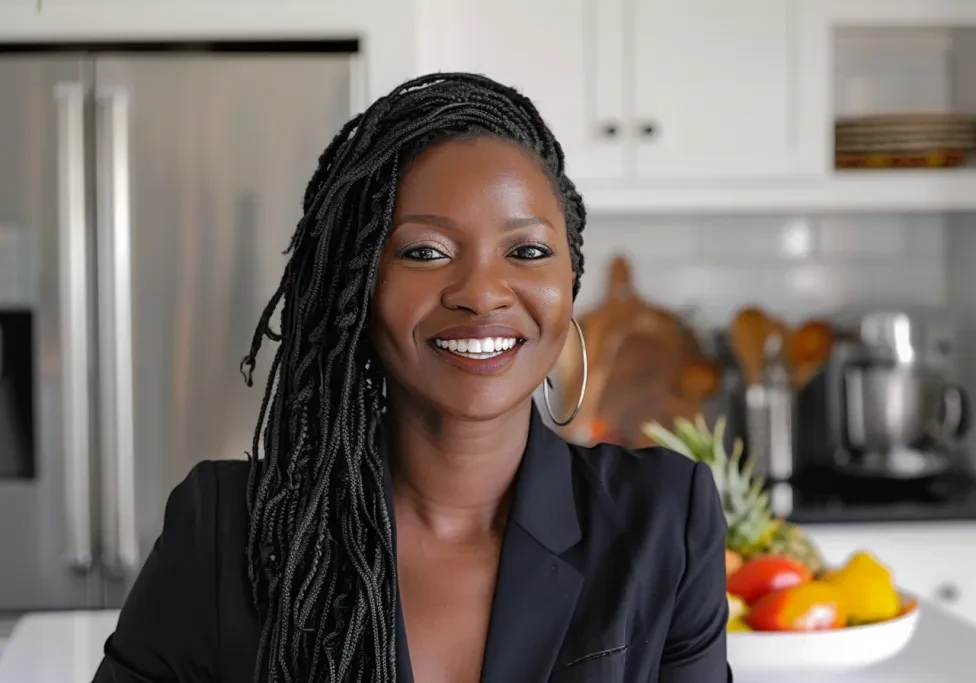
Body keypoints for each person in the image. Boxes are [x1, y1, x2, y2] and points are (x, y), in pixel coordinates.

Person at [91, 72, 730, 683]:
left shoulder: (663, 523)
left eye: (527, 251)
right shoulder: (224, 531)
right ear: (357, 290)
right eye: (425, 252)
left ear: (570, 282)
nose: (482, 295)